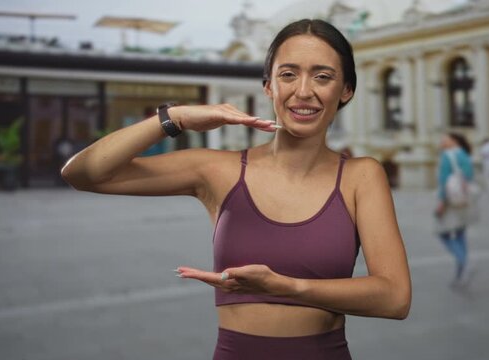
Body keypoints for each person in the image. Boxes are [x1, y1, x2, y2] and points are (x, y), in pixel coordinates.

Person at [61, 19, 411, 359]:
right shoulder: (218, 170)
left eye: (323, 76)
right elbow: (84, 173)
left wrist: (288, 287)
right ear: (269, 86)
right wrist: (176, 118)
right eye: (287, 74)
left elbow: (395, 298)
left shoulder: (361, 176)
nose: (303, 91)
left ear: (345, 89)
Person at [434, 132, 476, 287]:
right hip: (464, 200)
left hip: (450, 201)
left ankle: (465, 263)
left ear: (453, 141)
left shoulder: (447, 156)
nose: (442, 141)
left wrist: (441, 203)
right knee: (460, 234)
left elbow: (444, 181)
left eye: (445, 139)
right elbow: (469, 176)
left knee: (443, 233)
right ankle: (461, 274)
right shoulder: (464, 155)